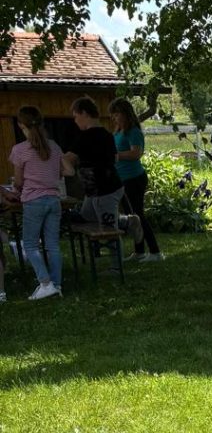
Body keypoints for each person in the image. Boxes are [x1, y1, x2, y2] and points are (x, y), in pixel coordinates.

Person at [6, 104, 73, 300]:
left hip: (33, 201)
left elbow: (18, 182)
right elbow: (68, 171)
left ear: (21, 125)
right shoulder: (54, 146)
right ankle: (56, 284)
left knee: (30, 244)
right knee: (52, 245)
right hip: (54, 200)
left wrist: (16, 190)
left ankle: (45, 283)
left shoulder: (20, 150)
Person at [64, 96, 142, 246]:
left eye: (76, 116)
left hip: (105, 189)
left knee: (108, 229)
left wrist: (64, 167)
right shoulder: (107, 134)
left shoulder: (86, 137)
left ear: (84, 113)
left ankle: (115, 267)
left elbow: (68, 159)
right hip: (97, 189)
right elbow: (114, 158)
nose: (75, 121)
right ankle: (128, 220)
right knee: (87, 217)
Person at [109, 97, 162, 261]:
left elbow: (136, 153)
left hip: (134, 179)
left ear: (125, 114)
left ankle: (155, 252)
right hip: (123, 179)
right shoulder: (118, 131)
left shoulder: (134, 132)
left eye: (116, 114)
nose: (114, 118)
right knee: (133, 218)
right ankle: (139, 251)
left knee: (138, 215)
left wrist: (116, 156)